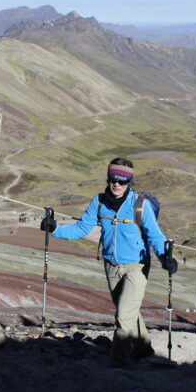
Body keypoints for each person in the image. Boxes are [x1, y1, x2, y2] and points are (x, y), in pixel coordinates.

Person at [40, 157, 177, 368]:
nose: (117, 184)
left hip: (137, 266)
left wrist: (165, 258)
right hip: (111, 266)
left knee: (123, 315)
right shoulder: (99, 202)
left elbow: (156, 236)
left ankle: (118, 362)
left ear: (129, 182)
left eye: (122, 181)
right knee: (129, 312)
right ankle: (143, 349)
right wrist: (55, 228)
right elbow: (81, 228)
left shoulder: (140, 205)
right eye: (113, 179)